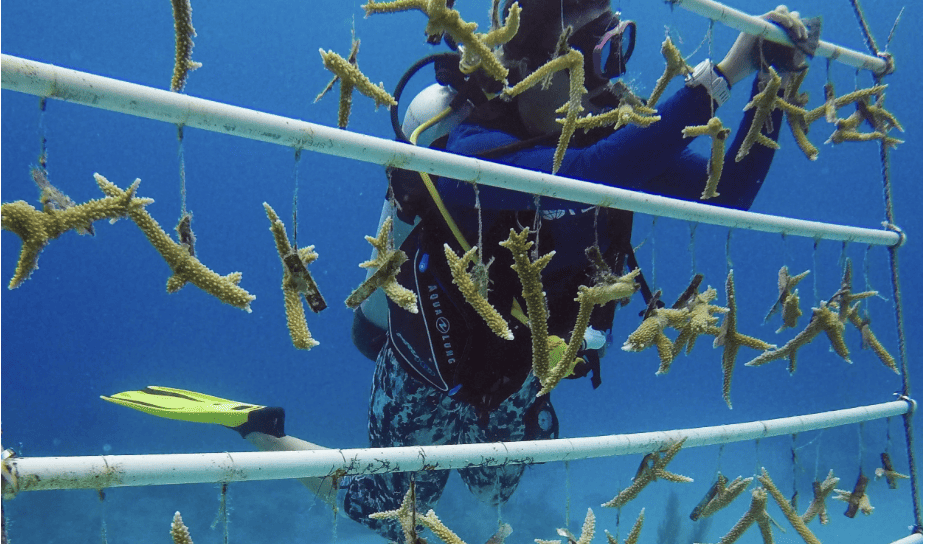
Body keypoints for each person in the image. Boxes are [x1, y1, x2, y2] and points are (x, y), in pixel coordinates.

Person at [104, 1, 810, 542]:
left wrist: (777, 86)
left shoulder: (603, 136)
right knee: (388, 512)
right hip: (430, 369)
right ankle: (259, 427)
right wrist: (724, 72)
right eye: (597, 52)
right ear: (535, 58)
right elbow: (588, 178)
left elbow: (729, 190)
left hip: (528, 367)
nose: (609, 77)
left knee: (498, 485)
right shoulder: (475, 148)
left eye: (619, 44)